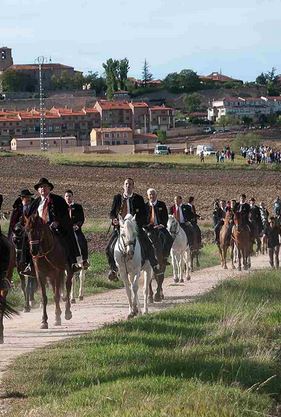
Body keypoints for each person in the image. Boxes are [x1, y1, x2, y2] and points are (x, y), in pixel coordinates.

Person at [106, 178, 160, 281]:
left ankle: (153, 263)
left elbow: (144, 215)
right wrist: (114, 220)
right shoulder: (117, 198)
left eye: (130, 184)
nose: (128, 186)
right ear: (123, 186)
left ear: (133, 186)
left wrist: (135, 223)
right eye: (126, 184)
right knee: (109, 247)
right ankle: (113, 269)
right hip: (120, 228)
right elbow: (112, 212)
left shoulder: (138, 198)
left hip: (135, 228)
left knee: (147, 242)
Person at [27, 178, 81, 273]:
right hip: (38, 230)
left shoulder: (58, 200)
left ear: (49, 188)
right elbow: (30, 217)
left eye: (45, 186)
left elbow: (65, 215)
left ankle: (72, 263)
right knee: (26, 239)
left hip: (54, 228)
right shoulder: (35, 203)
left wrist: (58, 222)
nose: (43, 188)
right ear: (38, 190)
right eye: (40, 187)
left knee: (67, 238)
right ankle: (28, 264)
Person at [145, 188, 173, 266]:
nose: (152, 196)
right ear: (147, 196)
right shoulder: (145, 206)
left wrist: (162, 224)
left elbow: (165, 217)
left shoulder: (162, 204)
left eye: (153, 194)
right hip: (149, 228)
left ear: (156, 195)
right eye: (150, 194)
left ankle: (165, 257)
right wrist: (148, 226)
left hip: (160, 227)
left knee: (170, 239)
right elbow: (143, 219)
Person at [64, 190, 90, 270]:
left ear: (72, 197)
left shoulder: (78, 207)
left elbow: (81, 218)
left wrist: (77, 225)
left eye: (70, 196)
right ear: (64, 197)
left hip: (75, 230)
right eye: (66, 196)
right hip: (65, 231)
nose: (68, 198)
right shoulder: (62, 207)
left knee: (82, 241)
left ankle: (84, 260)